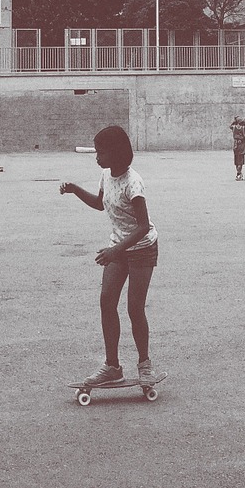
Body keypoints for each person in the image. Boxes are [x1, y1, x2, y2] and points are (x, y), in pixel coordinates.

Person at [59, 125, 159, 386]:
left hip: (141, 249)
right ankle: (112, 366)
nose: (96, 157)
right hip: (118, 248)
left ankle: (144, 364)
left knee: (134, 308)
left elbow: (143, 226)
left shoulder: (133, 182)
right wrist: (76, 189)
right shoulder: (106, 174)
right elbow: (99, 203)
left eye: (100, 152)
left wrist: (116, 250)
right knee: (106, 302)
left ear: (115, 153)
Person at [230, 116, 245, 181]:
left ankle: (238, 173)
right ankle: (239, 174)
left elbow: (230, 125)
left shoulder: (234, 127)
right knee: (241, 161)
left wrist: (235, 120)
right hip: (242, 145)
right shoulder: (243, 128)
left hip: (236, 145)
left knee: (237, 160)